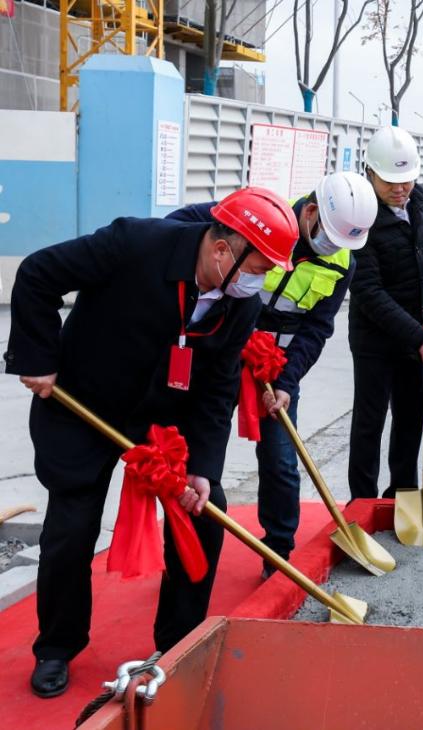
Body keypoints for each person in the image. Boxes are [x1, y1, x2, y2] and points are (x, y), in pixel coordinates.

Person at [4, 187, 298, 698]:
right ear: (224, 249)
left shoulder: (240, 302)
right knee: (72, 527)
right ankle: (57, 644)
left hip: (164, 417)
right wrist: (37, 356)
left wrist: (203, 467)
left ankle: (179, 642)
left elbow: (218, 388)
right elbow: (38, 275)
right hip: (84, 405)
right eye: (260, 265)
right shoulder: (136, 243)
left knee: (203, 510)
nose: (263, 278)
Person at [168, 173, 378, 575]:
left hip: (275, 367)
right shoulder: (262, 221)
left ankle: (279, 550)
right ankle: (181, 550)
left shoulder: (342, 262)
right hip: (221, 354)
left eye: (342, 243)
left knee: (281, 459)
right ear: (311, 212)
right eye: (329, 237)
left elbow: (318, 326)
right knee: (197, 450)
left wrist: (286, 381)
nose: (333, 247)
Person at [347, 126, 423, 500]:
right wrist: (419, 336)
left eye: (407, 180)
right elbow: (368, 291)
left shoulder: (422, 201)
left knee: (410, 418)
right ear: (370, 173)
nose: (400, 189)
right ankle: (363, 500)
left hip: (416, 333)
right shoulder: (360, 215)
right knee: (370, 421)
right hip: (376, 339)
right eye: (390, 182)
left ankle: (402, 494)